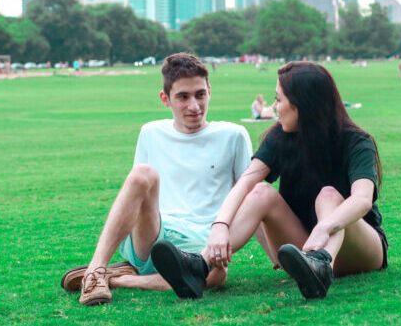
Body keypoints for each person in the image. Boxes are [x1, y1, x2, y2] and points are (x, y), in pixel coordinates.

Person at [151, 61, 388, 300]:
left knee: (328, 195)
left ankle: (321, 265)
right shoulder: (280, 137)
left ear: (301, 105)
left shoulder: (356, 142)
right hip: (303, 250)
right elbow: (245, 183)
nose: (274, 107)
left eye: (279, 100)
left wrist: (324, 228)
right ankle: (199, 266)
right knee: (260, 191)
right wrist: (220, 227)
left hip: (360, 250)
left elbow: (362, 200)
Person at [59, 53, 253, 305]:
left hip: (203, 243)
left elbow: (249, 197)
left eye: (200, 94)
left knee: (217, 275)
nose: (194, 106)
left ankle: (120, 279)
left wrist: (276, 256)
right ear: (165, 99)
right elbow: (137, 197)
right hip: (154, 234)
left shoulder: (234, 135)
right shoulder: (151, 132)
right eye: (183, 97)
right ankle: (96, 271)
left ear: (209, 91)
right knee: (142, 174)